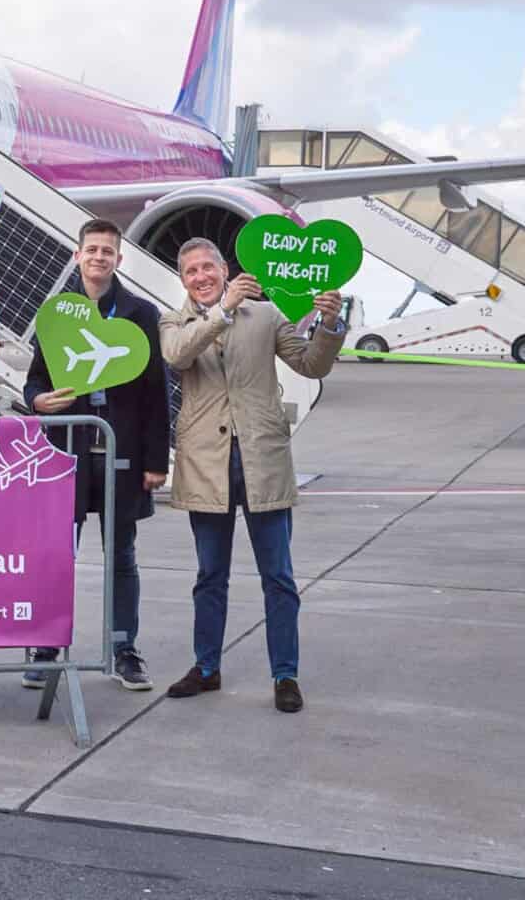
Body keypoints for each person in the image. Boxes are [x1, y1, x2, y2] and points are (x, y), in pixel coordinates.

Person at [159, 236, 343, 714]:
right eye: (190, 271)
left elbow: (311, 362)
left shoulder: (265, 314)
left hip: (262, 458)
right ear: (183, 280)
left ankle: (285, 674)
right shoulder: (173, 321)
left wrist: (328, 323)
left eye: (208, 267)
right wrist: (222, 310)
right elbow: (178, 356)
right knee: (209, 576)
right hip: (206, 464)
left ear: (225, 269)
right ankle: (206, 667)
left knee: (278, 576)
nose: (200, 276)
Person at [20, 218, 168, 692]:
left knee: (121, 556)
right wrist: (37, 402)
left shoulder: (140, 313)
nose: (100, 257)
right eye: (92, 250)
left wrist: (156, 460)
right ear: (77, 256)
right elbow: (37, 379)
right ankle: (45, 649)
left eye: (108, 250)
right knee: (59, 555)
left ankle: (124, 649)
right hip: (70, 454)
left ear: (118, 259)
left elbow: (154, 393)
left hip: (122, 454)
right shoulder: (57, 313)